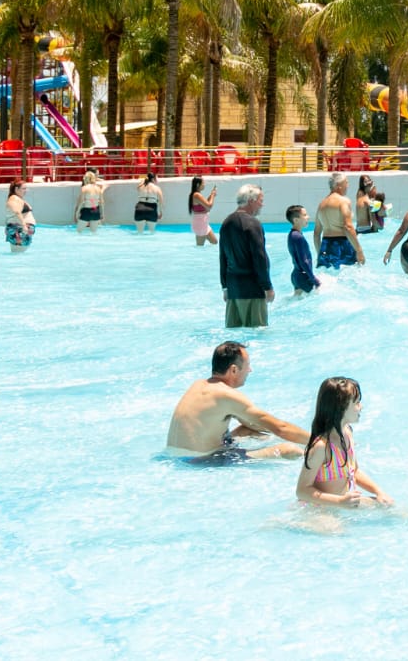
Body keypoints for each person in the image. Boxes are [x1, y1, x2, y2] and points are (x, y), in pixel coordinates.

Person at [165, 341, 309, 463]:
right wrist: (321, 441)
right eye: (247, 365)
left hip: (176, 457)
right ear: (234, 370)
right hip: (202, 462)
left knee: (247, 430)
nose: (250, 370)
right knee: (290, 450)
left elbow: (253, 424)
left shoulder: (199, 385)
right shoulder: (226, 395)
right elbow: (280, 428)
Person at [296, 377, 393, 507]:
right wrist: (339, 502)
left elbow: (355, 471)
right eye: (357, 402)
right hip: (318, 510)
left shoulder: (347, 432)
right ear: (341, 408)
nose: (361, 407)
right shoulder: (321, 447)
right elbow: (302, 491)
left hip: (345, 503)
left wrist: (379, 492)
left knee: (388, 506)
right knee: (335, 528)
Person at [220, 185, 275, 328]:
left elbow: (223, 258)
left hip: (233, 288)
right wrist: (267, 286)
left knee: (234, 343)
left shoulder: (226, 223)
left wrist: (225, 287)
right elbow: (259, 258)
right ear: (251, 200)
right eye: (260, 200)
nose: (262, 204)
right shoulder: (253, 223)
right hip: (253, 290)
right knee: (257, 333)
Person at [315, 171, 367, 268]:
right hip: (342, 244)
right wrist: (359, 251)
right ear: (339, 185)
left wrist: (320, 254)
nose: (348, 185)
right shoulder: (343, 201)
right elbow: (348, 227)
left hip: (325, 245)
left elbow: (316, 234)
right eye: (346, 182)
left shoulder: (321, 204)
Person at [286, 205, 320, 295]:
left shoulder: (292, 235)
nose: (307, 217)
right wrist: (314, 279)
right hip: (303, 276)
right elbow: (303, 261)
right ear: (296, 220)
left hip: (296, 275)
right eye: (304, 215)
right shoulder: (298, 237)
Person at [5, 181, 36, 253]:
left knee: (17, 254)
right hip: (19, 230)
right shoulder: (14, 198)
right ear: (16, 189)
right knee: (18, 255)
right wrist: (24, 226)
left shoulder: (17, 199)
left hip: (19, 229)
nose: (26, 191)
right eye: (24, 188)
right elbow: (16, 212)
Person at [189, 176, 219, 245]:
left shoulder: (197, 195)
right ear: (198, 185)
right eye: (203, 183)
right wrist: (213, 195)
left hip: (203, 223)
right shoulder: (196, 195)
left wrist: (211, 194)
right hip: (200, 224)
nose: (204, 185)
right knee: (199, 247)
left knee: (214, 242)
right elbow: (209, 206)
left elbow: (205, 205)